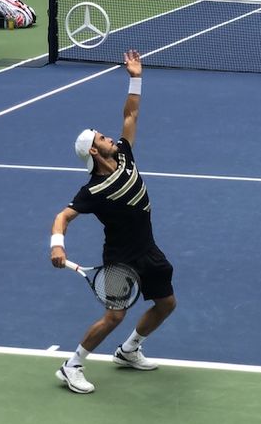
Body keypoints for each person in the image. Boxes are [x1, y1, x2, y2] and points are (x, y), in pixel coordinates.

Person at [51, 50, 176, 395]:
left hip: (147, 248)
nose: (108, 137)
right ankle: (71, 365)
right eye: (100, 138)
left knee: (166, 304)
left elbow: (131, 113)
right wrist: (57, 244)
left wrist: (135, 76)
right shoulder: (92, 190)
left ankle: (129, 350)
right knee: (114, 317)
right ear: (93, 152)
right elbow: (63, 216)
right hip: (120, 259)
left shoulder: (123, 153)